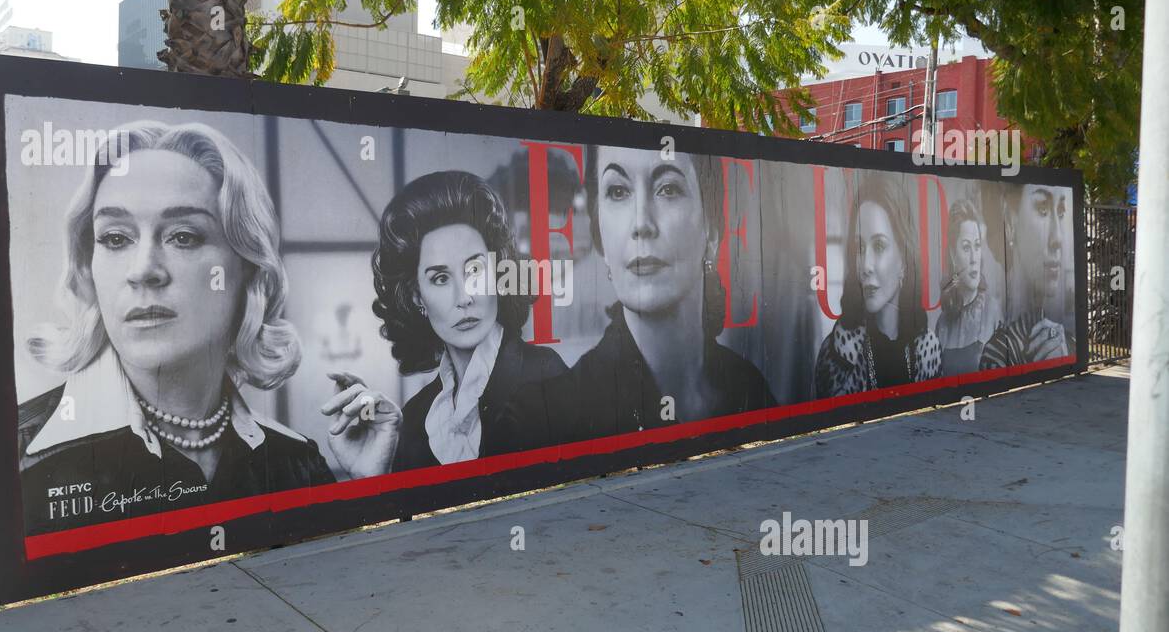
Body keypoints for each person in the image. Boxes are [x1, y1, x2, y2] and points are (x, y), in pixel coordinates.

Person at [18, 121, 335, 537]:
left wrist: (376, 478)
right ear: (88, 266)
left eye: (183, 237)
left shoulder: (297, 459)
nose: (144, 270)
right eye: (115, 238)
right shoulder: (21, 455)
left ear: (248, 268)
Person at [502, 149, 774, 449]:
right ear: (600, 238)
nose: (641, 223)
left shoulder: (749, 386)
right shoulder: (542, 418)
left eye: (668, 189)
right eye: (618, 192)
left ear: (711, 233)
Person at [322, 170, 568, 475]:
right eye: (440, 278)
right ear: (417, 298)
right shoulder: (413, 420)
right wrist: (372, 478)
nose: (463, 296)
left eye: (475, 270)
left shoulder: (546, 376)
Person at [814, 172, 942, 396]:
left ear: (903, 259)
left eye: (880, 246)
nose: (866, 266)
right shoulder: (836, 355)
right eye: (859, 248)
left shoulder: (928, 348)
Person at [980, 183, 1074, 369]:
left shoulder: (1067, 341)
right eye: (1043, 209)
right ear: (1010, 221)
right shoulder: (996, 354)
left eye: (1061, 212)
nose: (1057, 239)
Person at [935, 197, 1004, 375]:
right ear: (952, 253)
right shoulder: (942, 323)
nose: (974, 258)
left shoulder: (993, 311)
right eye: (966, 248)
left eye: (977, 246)